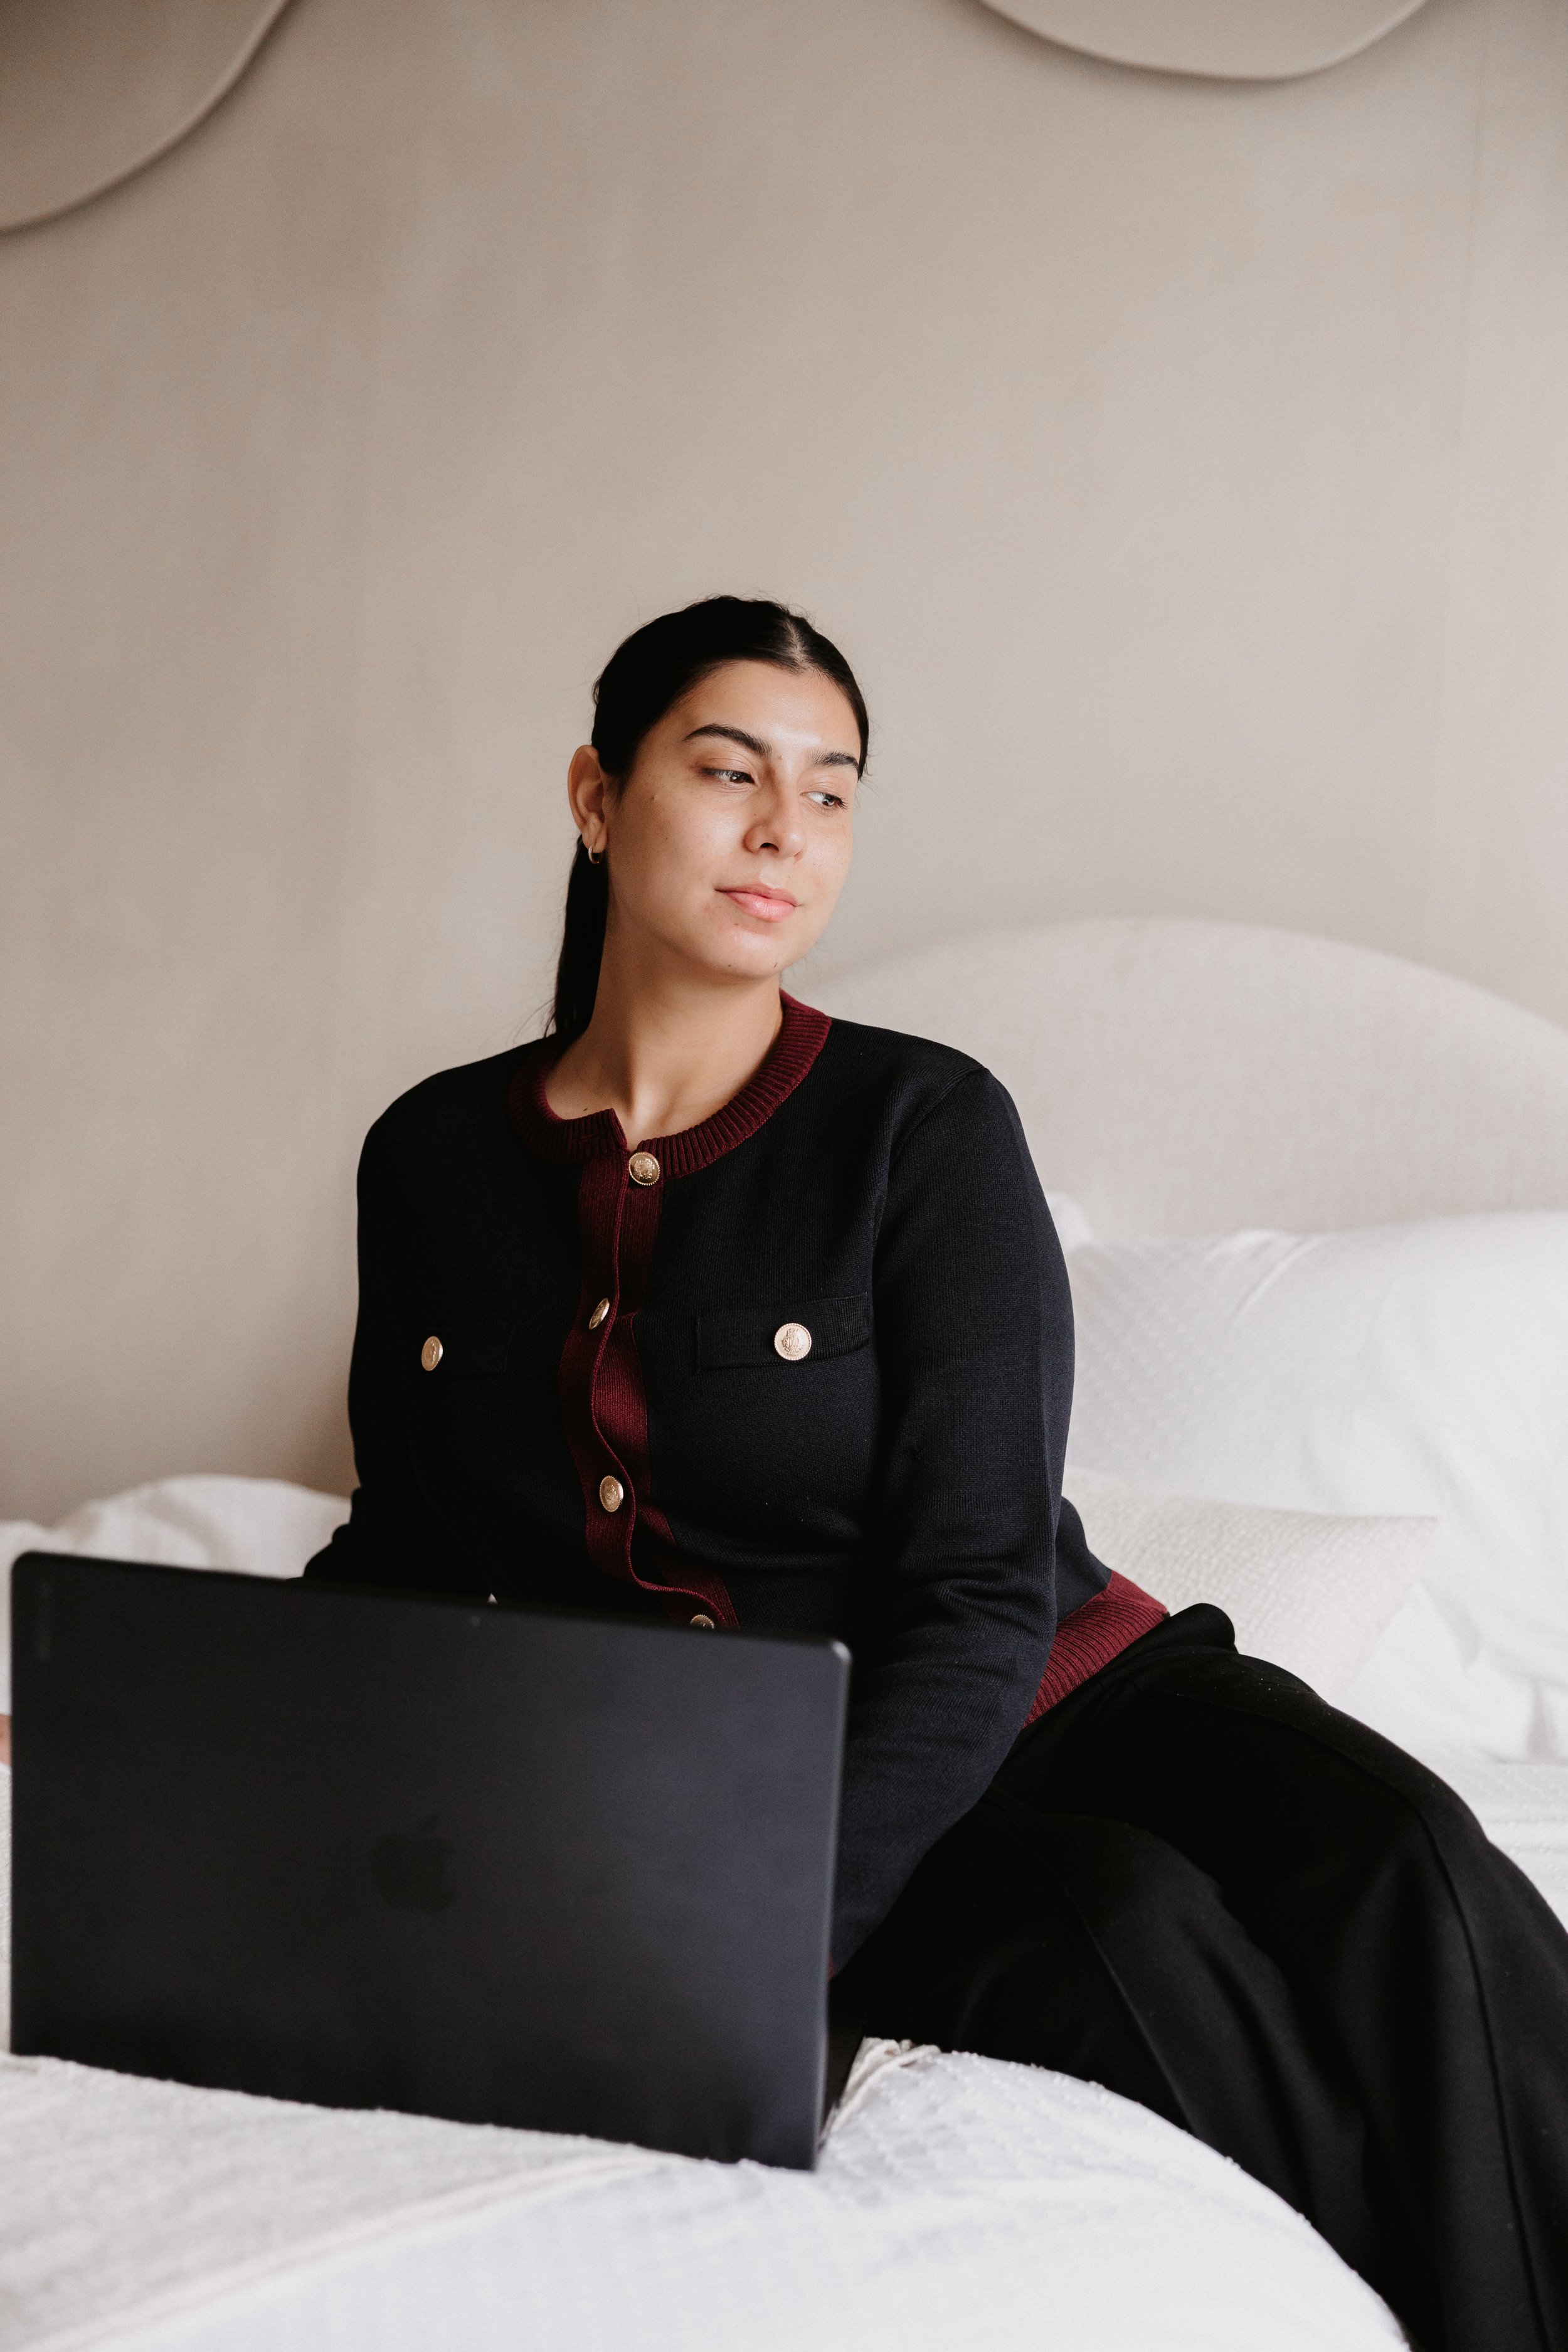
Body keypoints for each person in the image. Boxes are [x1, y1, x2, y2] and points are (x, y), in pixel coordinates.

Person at [307, 594, 1568, 2352]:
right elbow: (404, 1549)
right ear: (596, 796)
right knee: (1129, 1940)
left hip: (1066, 1682)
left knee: (1409, 1862)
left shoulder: (924, 1124)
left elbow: (982, 1587)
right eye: (728, 771)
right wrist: (153, 1716)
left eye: (830, 791)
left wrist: (782, 1924)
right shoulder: (433, 1155)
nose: (784, 830)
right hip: (763, 1749)